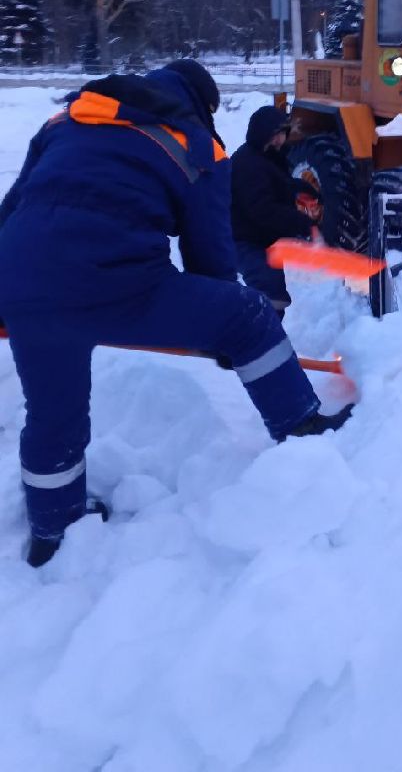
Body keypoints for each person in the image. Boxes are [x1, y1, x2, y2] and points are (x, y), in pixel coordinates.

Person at [0, 60, 351, 568]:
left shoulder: (68, 119)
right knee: (249, 314)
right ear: (202, 105)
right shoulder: (195, 143)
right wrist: (226, 337)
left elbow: (12, 209)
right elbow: (209, 256)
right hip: (117, 281)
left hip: (21, 279)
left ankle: (53, 531)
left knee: (54, 413)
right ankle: (300, 427)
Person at [230, 105, 321, 319]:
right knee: (270, 294)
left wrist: (298, 187)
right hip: (241, 240)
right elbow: (262, 209)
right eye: (276, 134)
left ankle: (264, 341)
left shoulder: (267, 156)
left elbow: (277, 183)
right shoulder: (247, 163)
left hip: (260, 239)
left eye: (283, 133)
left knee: (273, 296)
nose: (281, 139)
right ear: (263, 133)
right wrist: (301, 222)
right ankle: (256, 343)